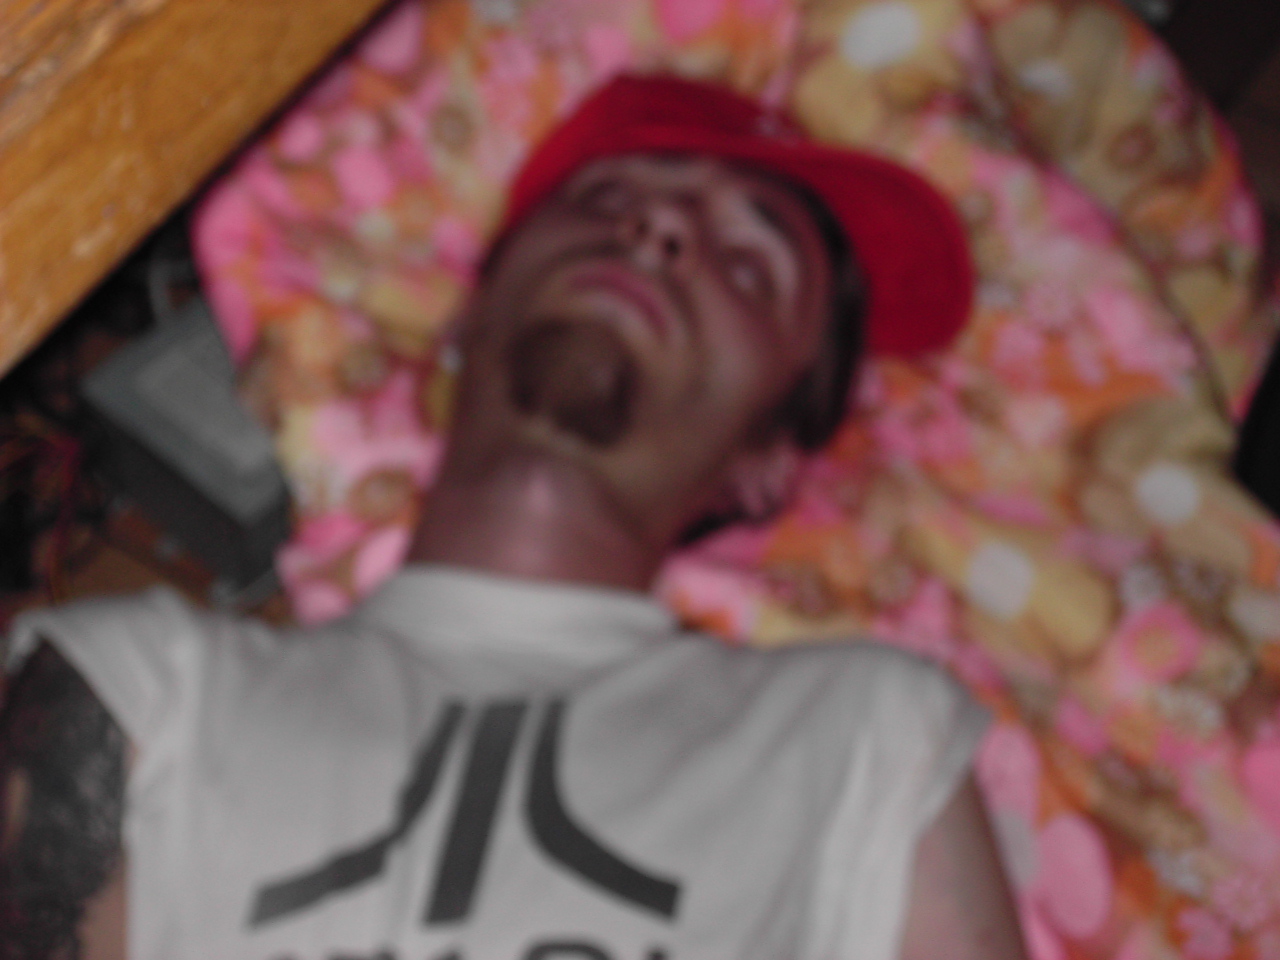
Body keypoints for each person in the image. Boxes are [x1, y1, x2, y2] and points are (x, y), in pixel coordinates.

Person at [0, 75, 1025, 960]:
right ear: (468, 313)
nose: (660, 230)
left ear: (766, 465)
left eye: (750, 268)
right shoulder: (129, 686)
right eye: (608, 199)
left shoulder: (866, 738)